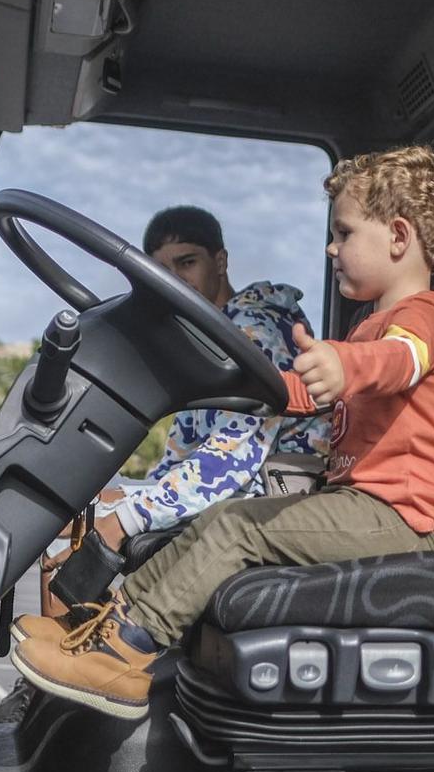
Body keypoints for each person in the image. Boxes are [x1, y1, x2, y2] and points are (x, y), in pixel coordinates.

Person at [11, 145, 434, 718]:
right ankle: (109, 623)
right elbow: (295, 395)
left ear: (398, 237)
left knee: (237, 529)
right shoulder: (369, 324)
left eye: (345, 233)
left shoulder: (421, 318)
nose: (332, 247)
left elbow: (396, 363)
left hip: (406, 524)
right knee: (217, 522)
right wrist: (263, 383)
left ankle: (125, 657)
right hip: (363, 507)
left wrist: (344, 365)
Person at [18, 204, 327, 639]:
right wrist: (117, 495)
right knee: (76, 508)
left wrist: (124, 516)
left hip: (275, 492)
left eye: (187, 262)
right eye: (161, 270)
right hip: (236, 485)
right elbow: (180, 459)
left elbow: (232, 461)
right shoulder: (203, 342)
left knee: (102, 522)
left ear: (219, 262)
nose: (175, 280)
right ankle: (60, 660)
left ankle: (80, 653)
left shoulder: (252, 333)